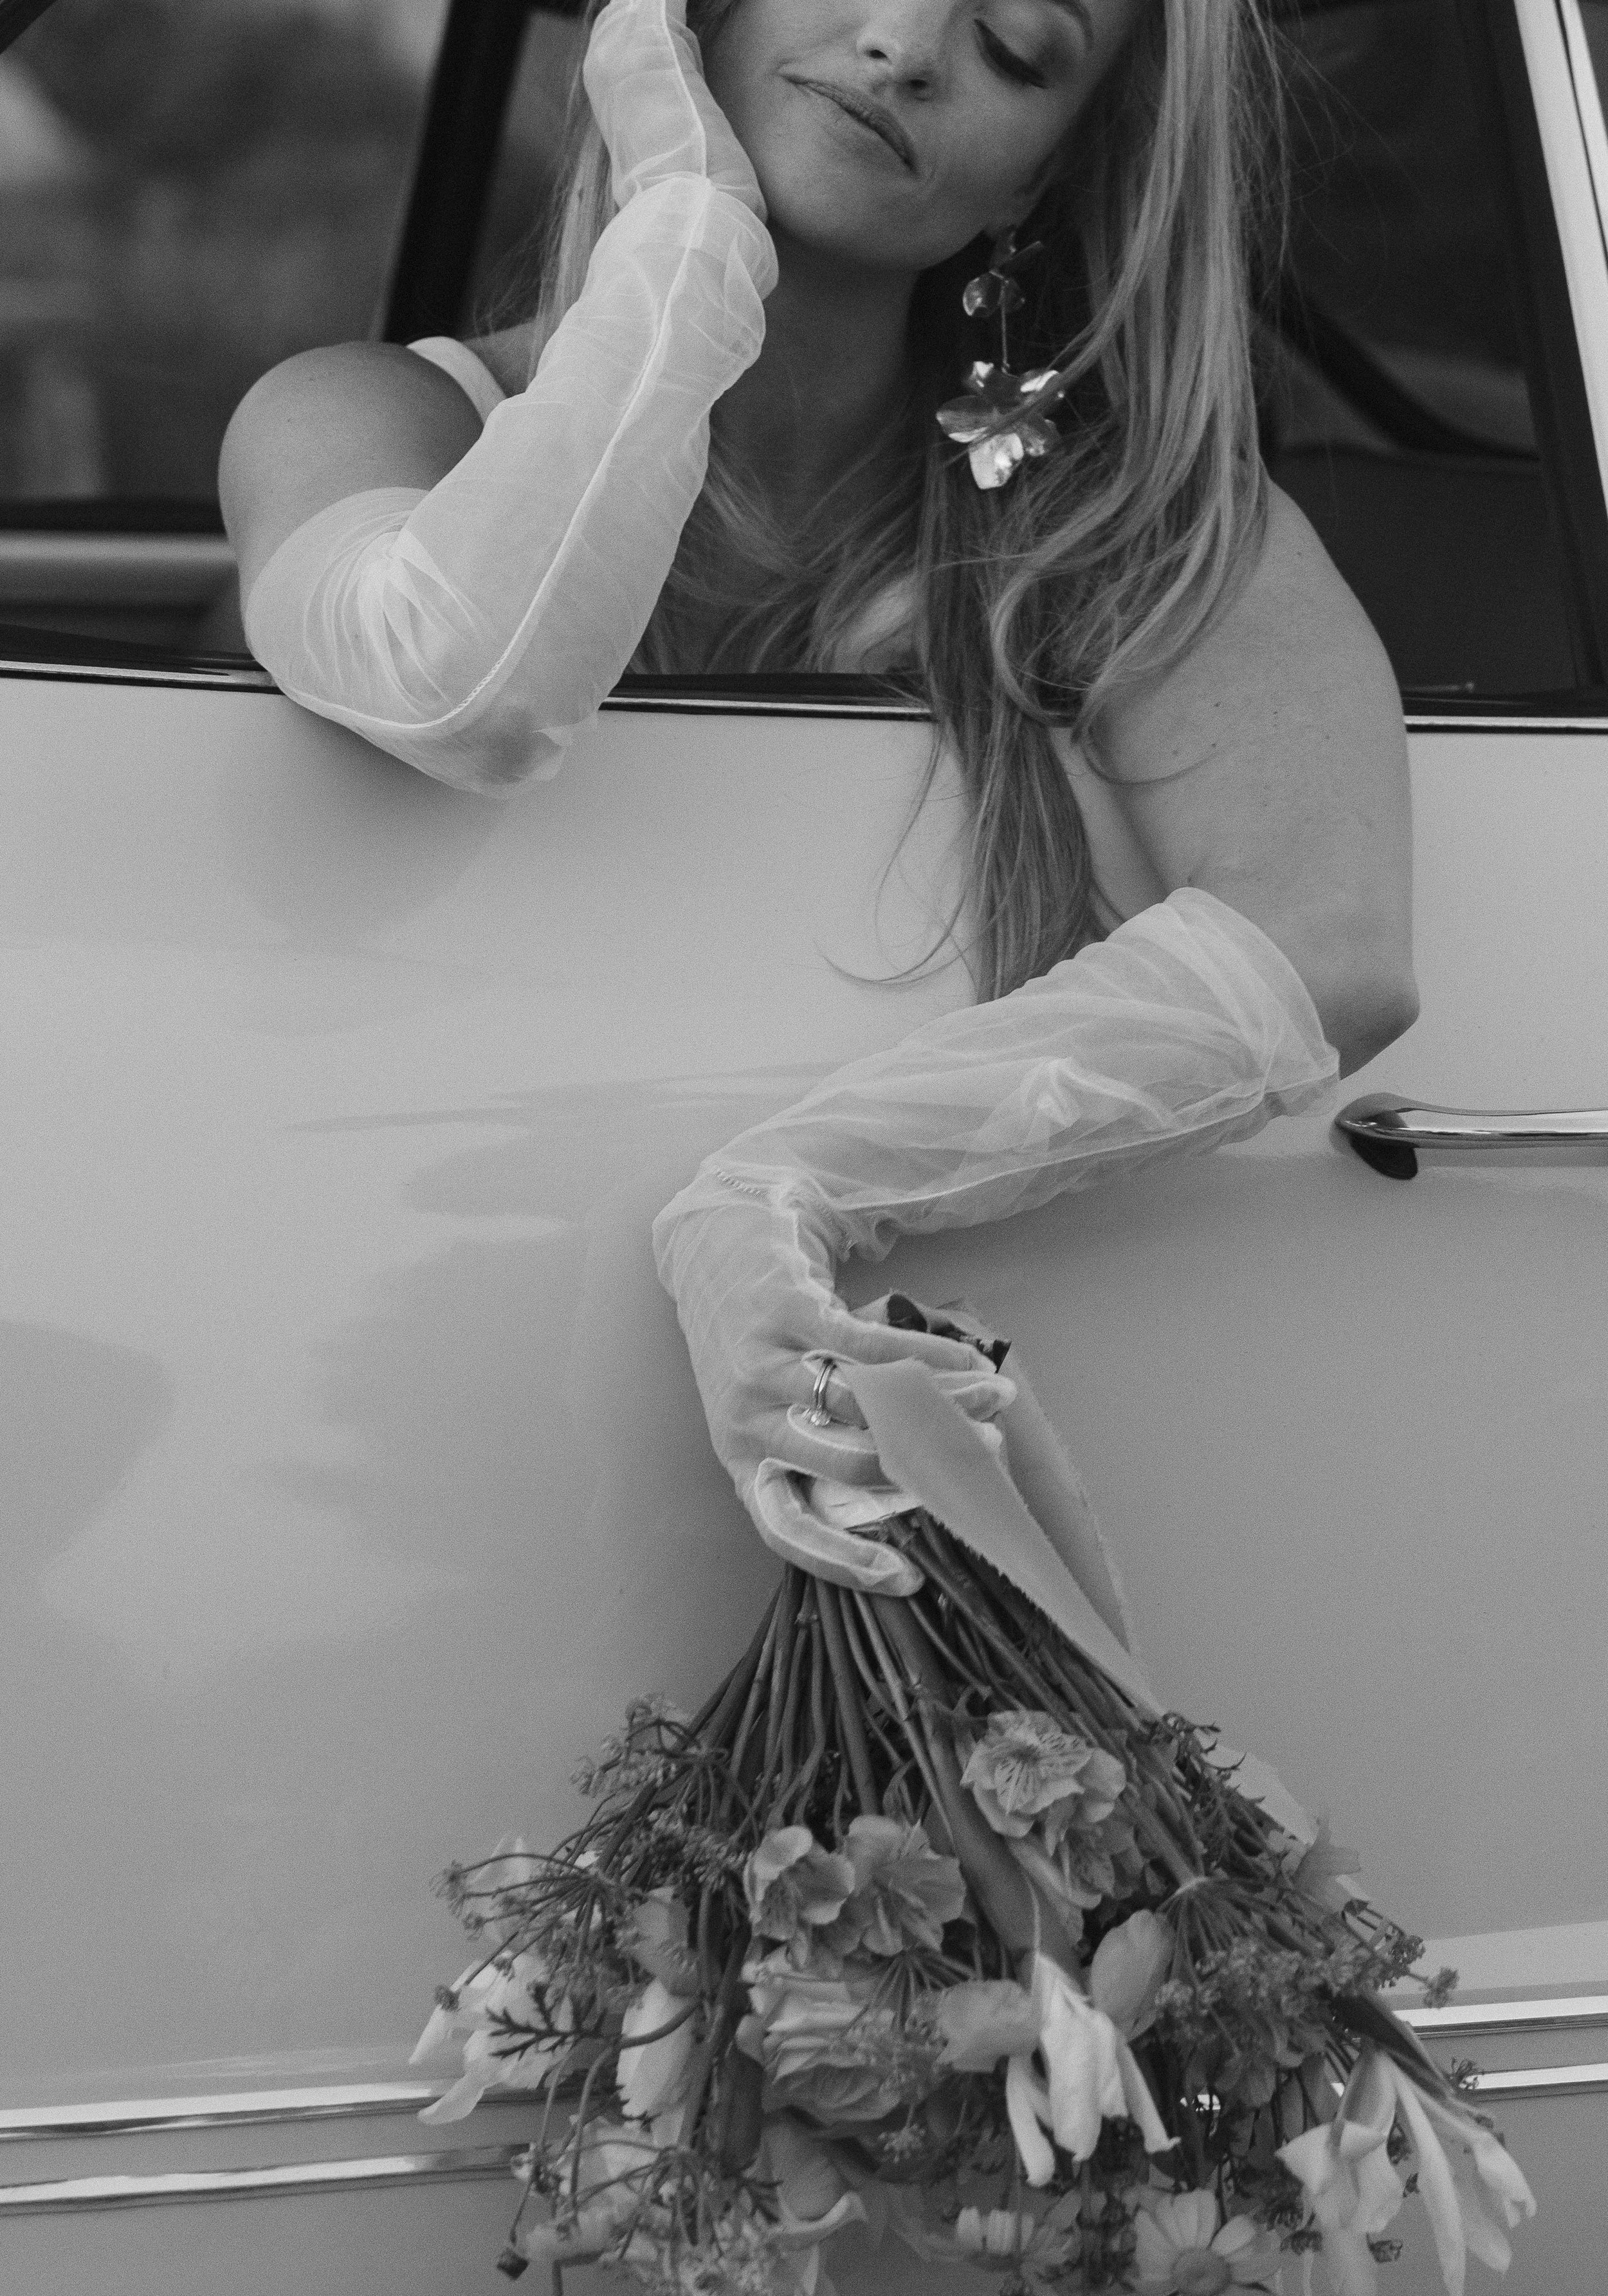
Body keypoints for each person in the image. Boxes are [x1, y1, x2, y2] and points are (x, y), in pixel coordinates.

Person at [221, 0, 1415, 1567]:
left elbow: (1332, 945)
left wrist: (782, 1193)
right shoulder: (367, 415)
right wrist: (690, 234)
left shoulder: (1127, 520)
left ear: (1032, 187)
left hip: (965, 1499)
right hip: (384, 1472)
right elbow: (462, 683)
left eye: (1013, 47)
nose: (906, 47)